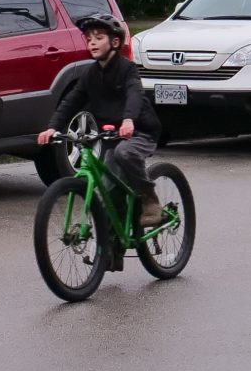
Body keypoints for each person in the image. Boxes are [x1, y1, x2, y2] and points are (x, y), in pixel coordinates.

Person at [37, 14, 166, 229]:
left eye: (98, 37)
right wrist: (52, 127)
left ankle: (149, 200)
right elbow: (71, 101)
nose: (92, 43)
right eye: (89, 39)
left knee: (124, 153)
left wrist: (129, 120)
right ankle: (112, 254)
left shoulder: (127, 69)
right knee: (107, 192)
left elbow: (135, 94)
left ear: (115, 42)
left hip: (139, 132)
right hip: (111, 137)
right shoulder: (90, 74)